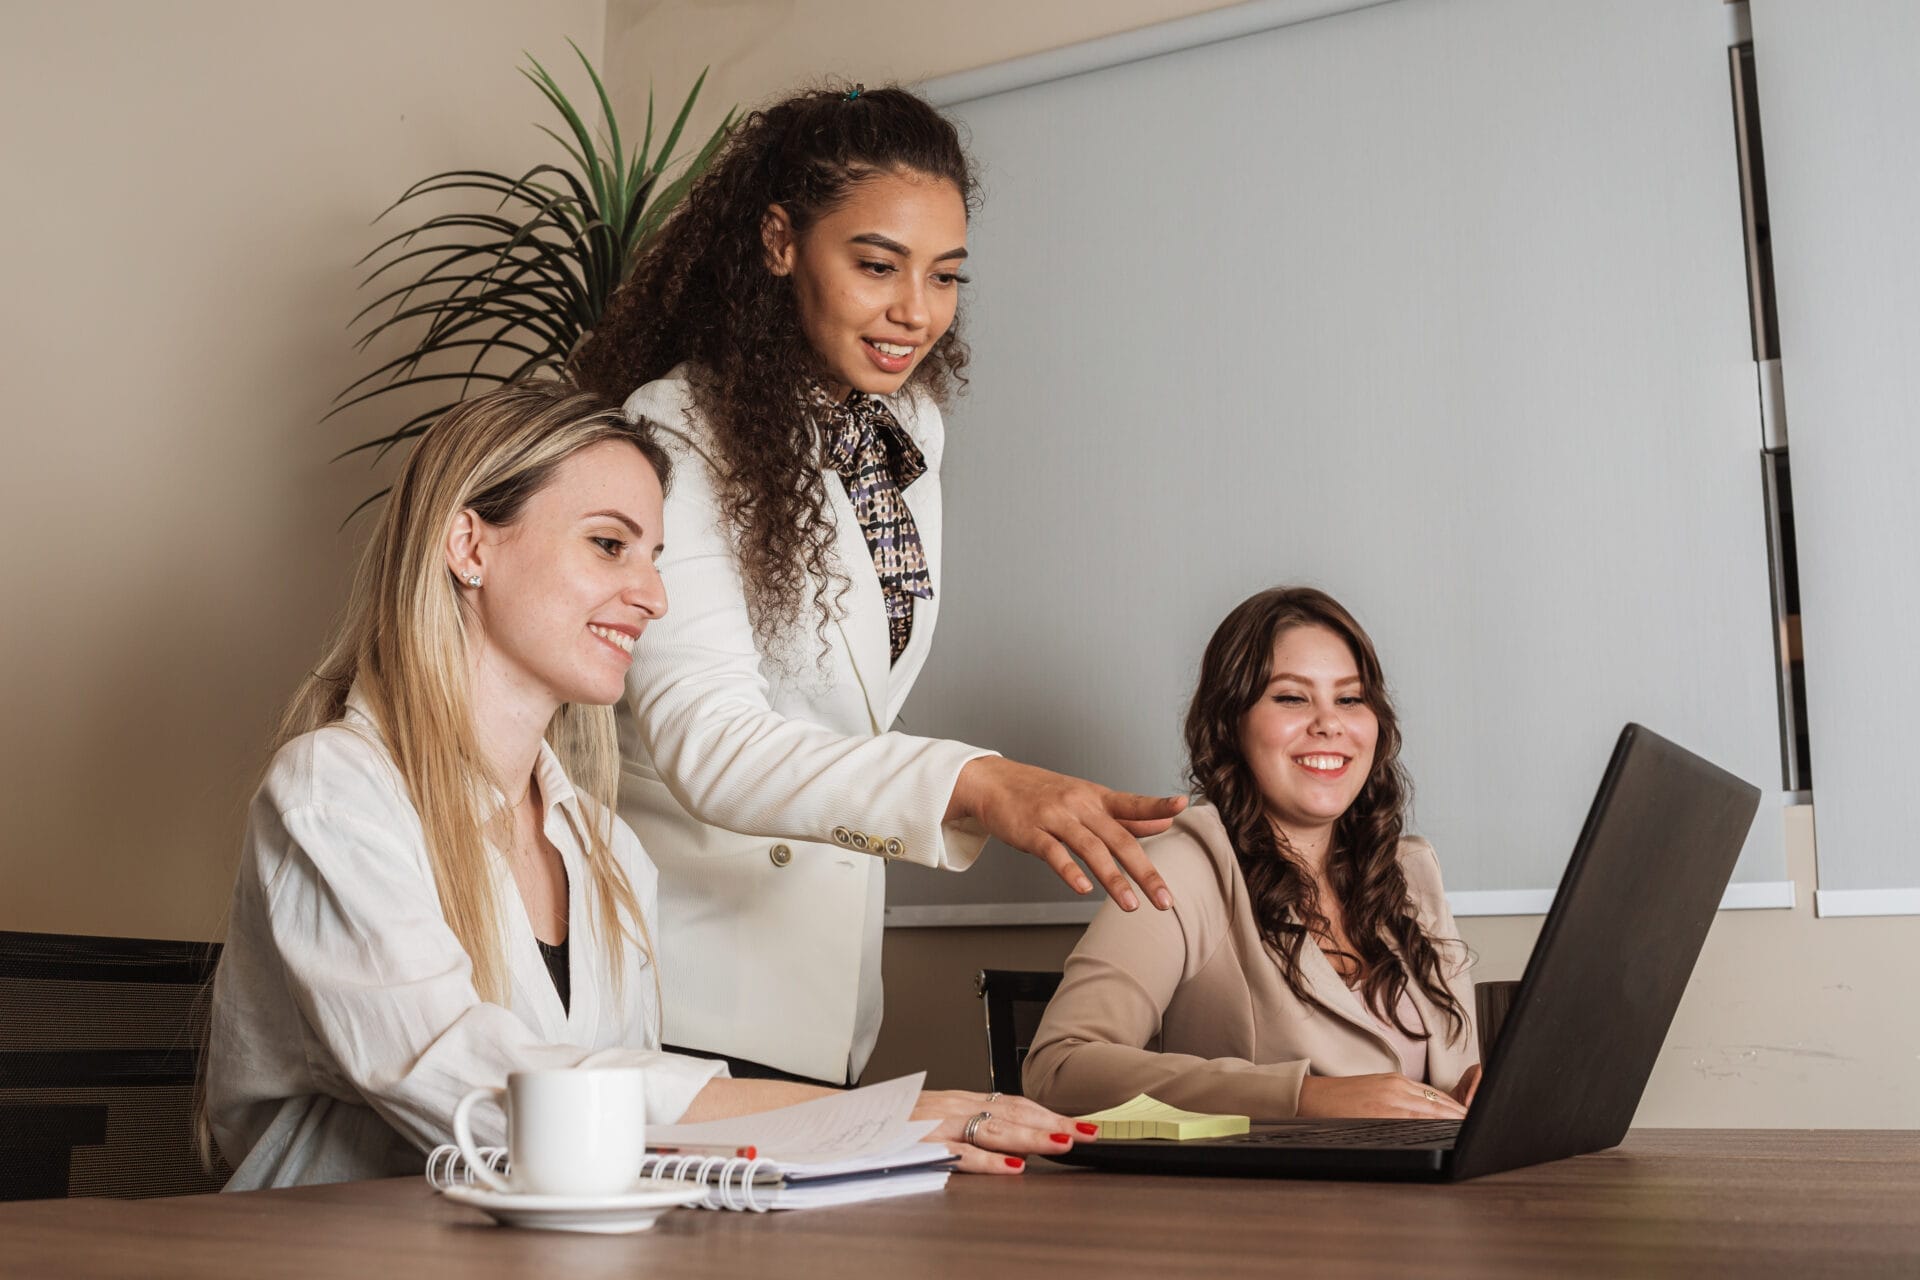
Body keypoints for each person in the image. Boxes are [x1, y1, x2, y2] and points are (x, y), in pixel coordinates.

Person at [203, 382, 1090, 1188]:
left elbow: (629, 1149)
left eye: (655, 555)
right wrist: (860, 1117)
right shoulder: (335, 790)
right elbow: (481, 1088)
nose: (654, 596)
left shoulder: (601, 843)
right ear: (470, 544)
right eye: (608, 546)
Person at [571, 85, 1185, 1086]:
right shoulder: (673, 427)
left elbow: (846, 710)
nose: (916, 311)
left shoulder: (905, 434)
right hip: (678, 988)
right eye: (876, 265)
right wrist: (974, 779)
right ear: (780, 242)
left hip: (823, 986)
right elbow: (708, 742)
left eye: (945, 276)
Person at [1021, 587, 1481, 1119]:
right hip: (1267, 1201)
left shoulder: (1409, 871)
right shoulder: (1186, 866)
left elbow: (1448, 1087)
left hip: (1431, 1196)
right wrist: (1305, 1096)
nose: (1329, 723)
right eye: (1291, 697)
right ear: (1231, 725)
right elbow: (1059, 1068)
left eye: (1350, 699)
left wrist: (1476, 1088)